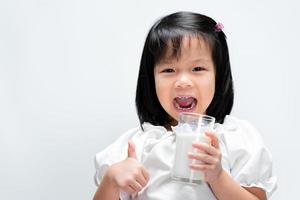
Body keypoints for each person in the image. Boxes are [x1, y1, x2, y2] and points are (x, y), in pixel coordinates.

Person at [92, 11, 277, 200]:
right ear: (151, 79)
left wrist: (218, 176)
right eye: (169, 70)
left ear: (218, 76)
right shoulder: (135, 146)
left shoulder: (237, 139)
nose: (183, 81)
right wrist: (111, 181)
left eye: (197, 69)